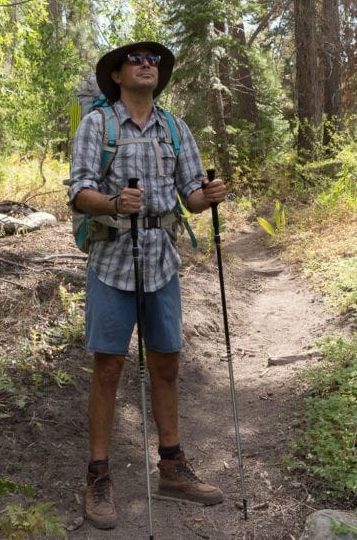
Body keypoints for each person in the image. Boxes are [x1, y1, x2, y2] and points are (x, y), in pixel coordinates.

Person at [68, 41, 228, 530]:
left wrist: (209, 195)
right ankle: (98, 477)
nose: (147, 65)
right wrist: (114, 204)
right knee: (109, 368)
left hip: (161, 258)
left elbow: (192, 195)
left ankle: (173, 468)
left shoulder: (175, 128)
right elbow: (78, 192)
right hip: (111, 261)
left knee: (166, 366)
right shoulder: (98, 124)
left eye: (154, 60)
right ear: (116, 75)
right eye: (136, 60)